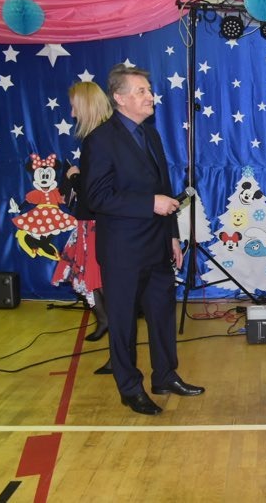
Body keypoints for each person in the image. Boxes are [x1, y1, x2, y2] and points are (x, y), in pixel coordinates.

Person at [82, 64, 204, 415]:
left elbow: (163, 188)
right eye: (141, 91)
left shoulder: (150, 134)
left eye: (149, 90)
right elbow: (97, 197)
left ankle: (165, 376)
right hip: (123, 250)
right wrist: (150, 204)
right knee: (123, 322)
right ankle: (130, 388)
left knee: (162, 315)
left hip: (157, 244)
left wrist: (173, 237)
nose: (150, 96)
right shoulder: (100, 140)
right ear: (119, 98)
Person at [51, 82, 115, 374]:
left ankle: (118, 353)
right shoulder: (99, 136)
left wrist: (75, 177)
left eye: (74, 105)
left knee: (105, 284)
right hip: (90, 221)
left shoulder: (98, 140)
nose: (71, 112)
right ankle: (104, 322)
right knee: (92, 279)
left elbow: (96, 191)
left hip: (98, 224)